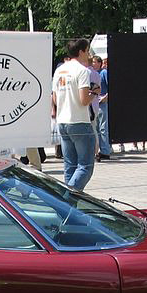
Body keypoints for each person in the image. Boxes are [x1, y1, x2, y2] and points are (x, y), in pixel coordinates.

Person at [51, 38, 95, 190]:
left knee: (70, 166)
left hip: (62, 121)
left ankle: (68, 201)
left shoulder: (59, 70)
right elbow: (84, 100)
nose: (88, 55)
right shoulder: (82, 71)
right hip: (79, 121)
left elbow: (55, 98)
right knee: (85, 166)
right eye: (87, 51)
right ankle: (68, 198)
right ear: (81, 51)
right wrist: (94, 93)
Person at [94, 56, 112, 160]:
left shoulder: (103, 73)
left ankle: (105, 151)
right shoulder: (92, 73)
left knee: (103, 128)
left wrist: (106, 97)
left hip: (103, 103)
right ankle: (99, 150)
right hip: (95, 103)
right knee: (96, 128)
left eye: (95, 62)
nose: (93, 64)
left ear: (100, 63)